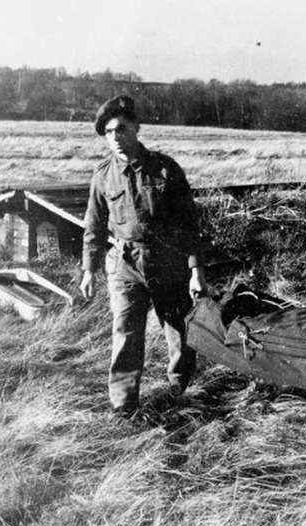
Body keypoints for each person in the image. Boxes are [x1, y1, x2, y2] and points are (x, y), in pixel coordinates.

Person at [79, 95, 209, 419]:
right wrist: (89, 270)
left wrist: (196, 270)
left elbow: (188, 223)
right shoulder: (103, 174)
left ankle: (180, 390)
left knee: (179, 330)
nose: (115, 137)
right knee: (126, 333)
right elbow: (93, 225)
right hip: (124, 264)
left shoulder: (166, 169)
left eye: (121, 129)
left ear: (136, 128)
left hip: (167, 261)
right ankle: (124, 406)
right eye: (108, 132)